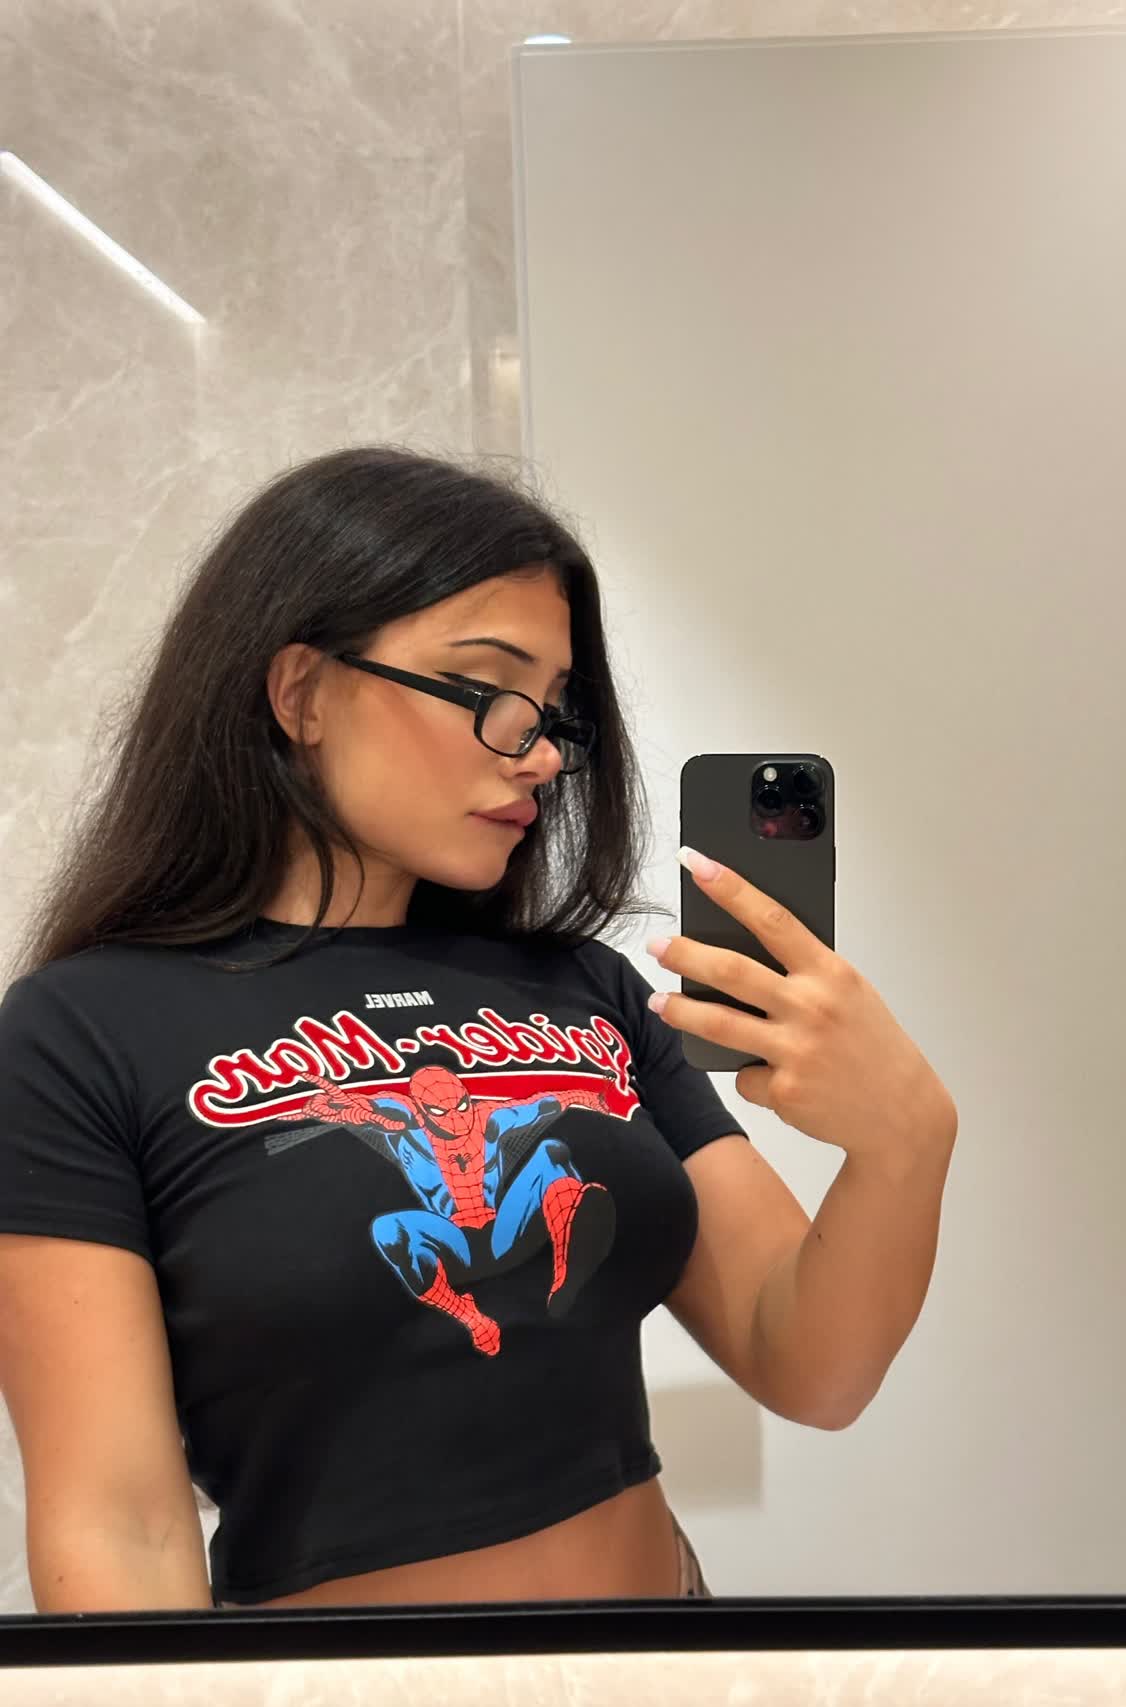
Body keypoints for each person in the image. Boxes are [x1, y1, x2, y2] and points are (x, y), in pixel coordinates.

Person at [0, 445, 958, 1613]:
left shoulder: (587, 990)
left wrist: (905, 1140)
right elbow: (119, 1524)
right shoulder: (83, 1033)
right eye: (488, 690)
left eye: (555, 709)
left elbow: (809, 1360)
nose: (542, 750)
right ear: (301, 692)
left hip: (667, 1664)